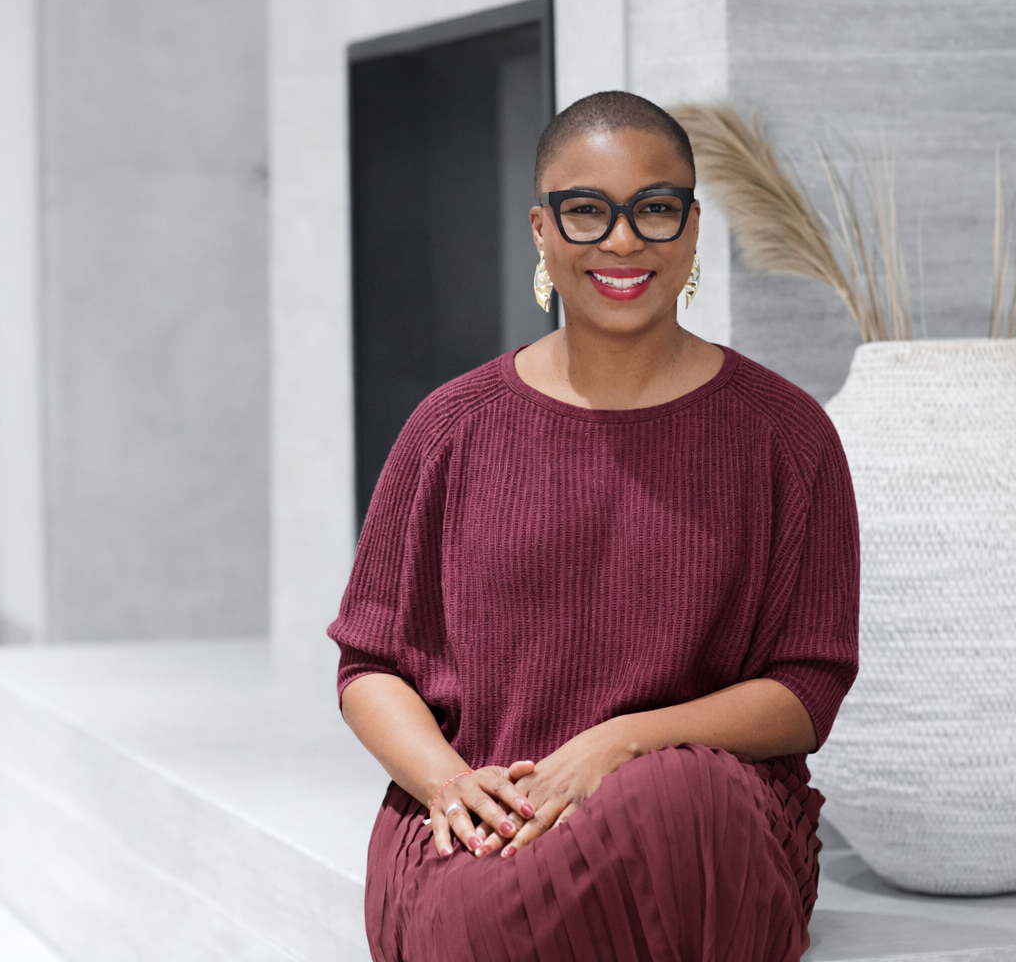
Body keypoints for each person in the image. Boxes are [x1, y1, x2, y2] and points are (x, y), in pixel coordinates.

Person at [328, 90, 859, 962]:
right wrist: (450, 784)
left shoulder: (787, 434)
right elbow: (370, 664)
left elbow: (808, 689)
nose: (622, 241)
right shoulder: (450, 428)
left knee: (683, 807)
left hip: (704, 819)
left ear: (691, 230)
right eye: (587, 211)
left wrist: (619, 745)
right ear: (541, 229)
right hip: (491, 812)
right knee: (479, 913)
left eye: (655, 209)